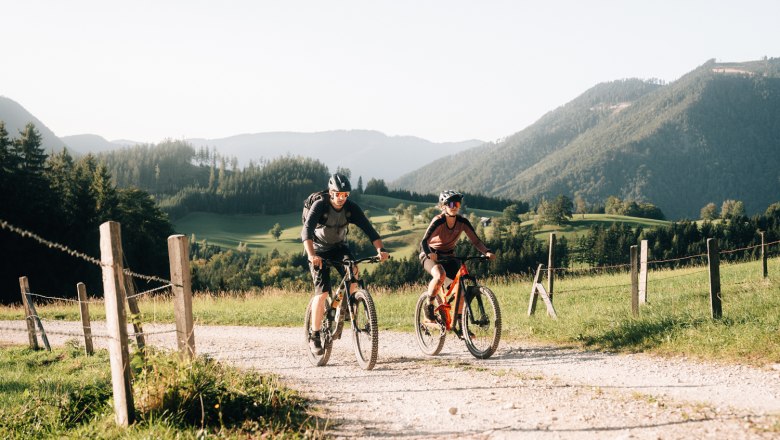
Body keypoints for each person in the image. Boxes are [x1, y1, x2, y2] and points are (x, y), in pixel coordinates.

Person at [302, 173, 390, 355]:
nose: (342, 198)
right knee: (323, 292)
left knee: (353, 271)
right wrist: (311, 255)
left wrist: (380, 250)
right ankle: (315, 334)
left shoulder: (350, 208)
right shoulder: (320, 205)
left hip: (340, 247)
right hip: (318, 250)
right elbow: (307, 231)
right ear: (331, 192)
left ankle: (350, 306)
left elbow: (369, 230)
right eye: (339, 194)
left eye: (345, 195)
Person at [419, 190, 496, 333]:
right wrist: (430, 253)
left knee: (461, 290)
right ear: (443, 206)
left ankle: (460, 324)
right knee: (440, 275)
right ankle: (429, 306)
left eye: (457, 203)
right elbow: (424, 241)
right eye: (451, 203)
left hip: (449, 256)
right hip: (430, 255)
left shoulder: (462, 222)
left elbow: (476, 241)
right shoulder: (438, 221)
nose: (454, 206)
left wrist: (487, 251)